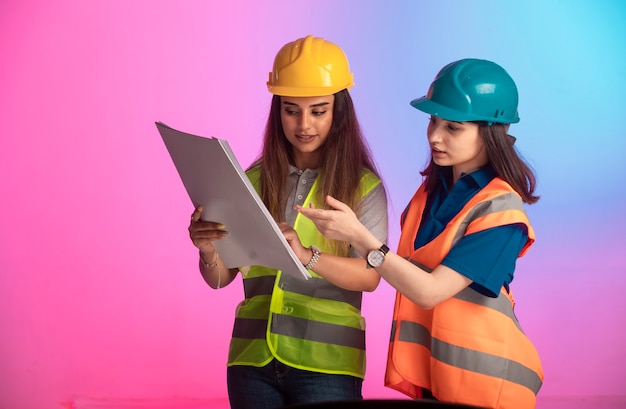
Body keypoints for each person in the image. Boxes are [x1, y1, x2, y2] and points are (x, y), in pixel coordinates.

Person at [296, 58, 544, 409]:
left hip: (490, 387)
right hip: (437, 380)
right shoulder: (429, 193)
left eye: (453, 127)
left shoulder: (501, 211)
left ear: (491, 131)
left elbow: (430, 292)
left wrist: (361, 238)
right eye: (432, 121)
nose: (434, 136)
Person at [188, 35, 388, 409]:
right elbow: (221, 279)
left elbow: (371, 276)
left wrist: (308, 256)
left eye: (318, 110)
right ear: (277, 109)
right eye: (291, 109)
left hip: (327, 366)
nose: (303, 124)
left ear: (338, 111)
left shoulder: (363, 187)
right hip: (252, 360)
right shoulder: (252, 180)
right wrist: (208, 250)